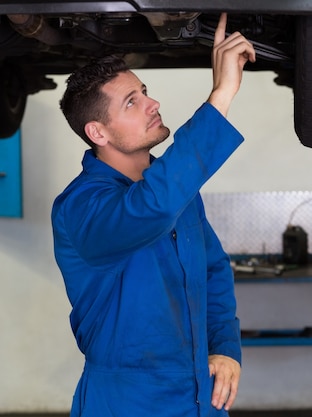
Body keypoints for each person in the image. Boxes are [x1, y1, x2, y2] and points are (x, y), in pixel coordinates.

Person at [51, 13, 255, 417]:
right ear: (98, 133)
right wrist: (221, 94)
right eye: (132, 102)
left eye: (143, 91)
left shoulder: (177, 189)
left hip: (201, 396)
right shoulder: (79, 208)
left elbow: (213, 270)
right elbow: (151, 208)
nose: (152, 103)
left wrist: (224, 347)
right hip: (126, 403)